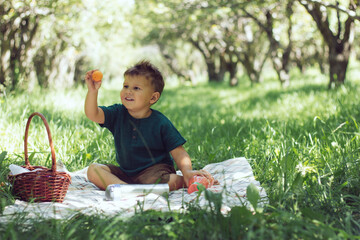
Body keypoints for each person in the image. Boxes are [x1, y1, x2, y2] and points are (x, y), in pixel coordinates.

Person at [84, 60, 216, 191]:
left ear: (153, 98)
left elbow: (179, 152)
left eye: (136, 88)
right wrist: (92, 91)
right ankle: (124, 188)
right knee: (93, 170)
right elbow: (93, 114)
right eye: (126, 86)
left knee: (161, 181)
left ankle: (185, 181)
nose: (128, 91)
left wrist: (187, 172)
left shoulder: (160, 122)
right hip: (127, 174)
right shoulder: (117, 113)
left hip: (155, 173)